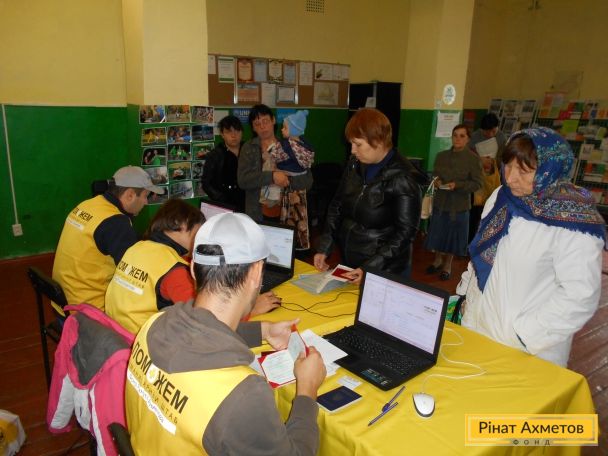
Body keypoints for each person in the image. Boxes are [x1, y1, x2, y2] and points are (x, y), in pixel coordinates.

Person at [125, 213, 326, 454]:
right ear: (256, 273)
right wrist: (307, 389)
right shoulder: (243, 395)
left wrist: (264, 330)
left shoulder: (153, 324)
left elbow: (202, 330)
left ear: (192, 268)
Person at [458, 127, 606, 367]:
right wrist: (466, 297)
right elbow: (483, 251)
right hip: (477, 329)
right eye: (508, 166)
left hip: (526, 350)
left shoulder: (572, 221)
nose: (510, 178)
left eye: (524, 171)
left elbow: (580, 295)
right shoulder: (501, 196)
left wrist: (524, 335)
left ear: (550, 169)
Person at [314, 108, 424, 283]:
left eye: (358, 144)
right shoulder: (354, 164)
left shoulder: (404, 178)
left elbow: (405, 233)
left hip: (385, 268)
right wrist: (325, 246)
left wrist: (370, 267)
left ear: (378, 141)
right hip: (351, 260)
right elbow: (337, 205)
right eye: (351, 144)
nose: (352, 150)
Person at [52, 166, 163, 312]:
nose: (146, 202)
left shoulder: (88, 205)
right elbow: (135, 273)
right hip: (86, 311)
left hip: (62, 299)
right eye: (145, 196)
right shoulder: (115, 222)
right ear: (130, 195)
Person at [105, 199, 204, 334]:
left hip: (116, 332)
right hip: (143, 340)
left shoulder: (136, 247)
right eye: (197, 233)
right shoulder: (174, 269)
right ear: (179, 224)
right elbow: (201, 317)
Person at [424, 124, 483, 281]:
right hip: (441, 202)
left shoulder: (473, 159)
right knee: (438, 234)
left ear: (468, 139)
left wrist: (458, 185)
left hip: (459, 205)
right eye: (455, 135)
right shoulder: (441, 156)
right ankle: (437, 260)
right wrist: (437, 181)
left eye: (462, 136)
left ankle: (447, 266)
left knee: (452, 238)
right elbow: (435, 174)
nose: (457, 138)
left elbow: (477, 183)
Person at [238, 104, 313, 222]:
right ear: (253, 128)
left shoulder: (291, 145)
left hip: (287, 212)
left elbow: (308, 181)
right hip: (257, 213)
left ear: (273, 120)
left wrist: (287, 179)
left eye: (265, 121)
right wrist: (272, 177)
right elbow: (243, 180)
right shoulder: (248, 148)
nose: (262, 127)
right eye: (257, 124)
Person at [201, 115, 245, 211]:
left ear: (241, 132)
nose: (234, 135)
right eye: (228, 132)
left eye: (237, 131)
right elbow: (206, 183)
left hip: (248, 204)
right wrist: (221, 199)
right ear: (222, 134)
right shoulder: (215, 155)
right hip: (224, 206)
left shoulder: (249, 151)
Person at [468, 155, 501, 241]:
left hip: (486, 204)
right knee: (474, 225)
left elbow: (495, 187)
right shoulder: (477, 172)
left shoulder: (494, 173)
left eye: (490, 160)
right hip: (477, 204)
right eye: (486, 159)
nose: (488, 162)